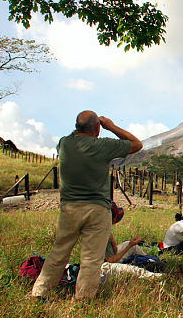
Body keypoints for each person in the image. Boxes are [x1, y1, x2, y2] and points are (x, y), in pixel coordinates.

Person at [31, 111, 142, 300]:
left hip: (69, 208)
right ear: (98, 128)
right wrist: (111, 126)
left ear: (77, 126)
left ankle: (40, 293)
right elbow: (137, 144)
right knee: (91, 259)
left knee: (59, 253)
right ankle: (83, 299)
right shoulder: (103, 145)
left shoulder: (64, 144)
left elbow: (76, 136)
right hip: (97, 209)